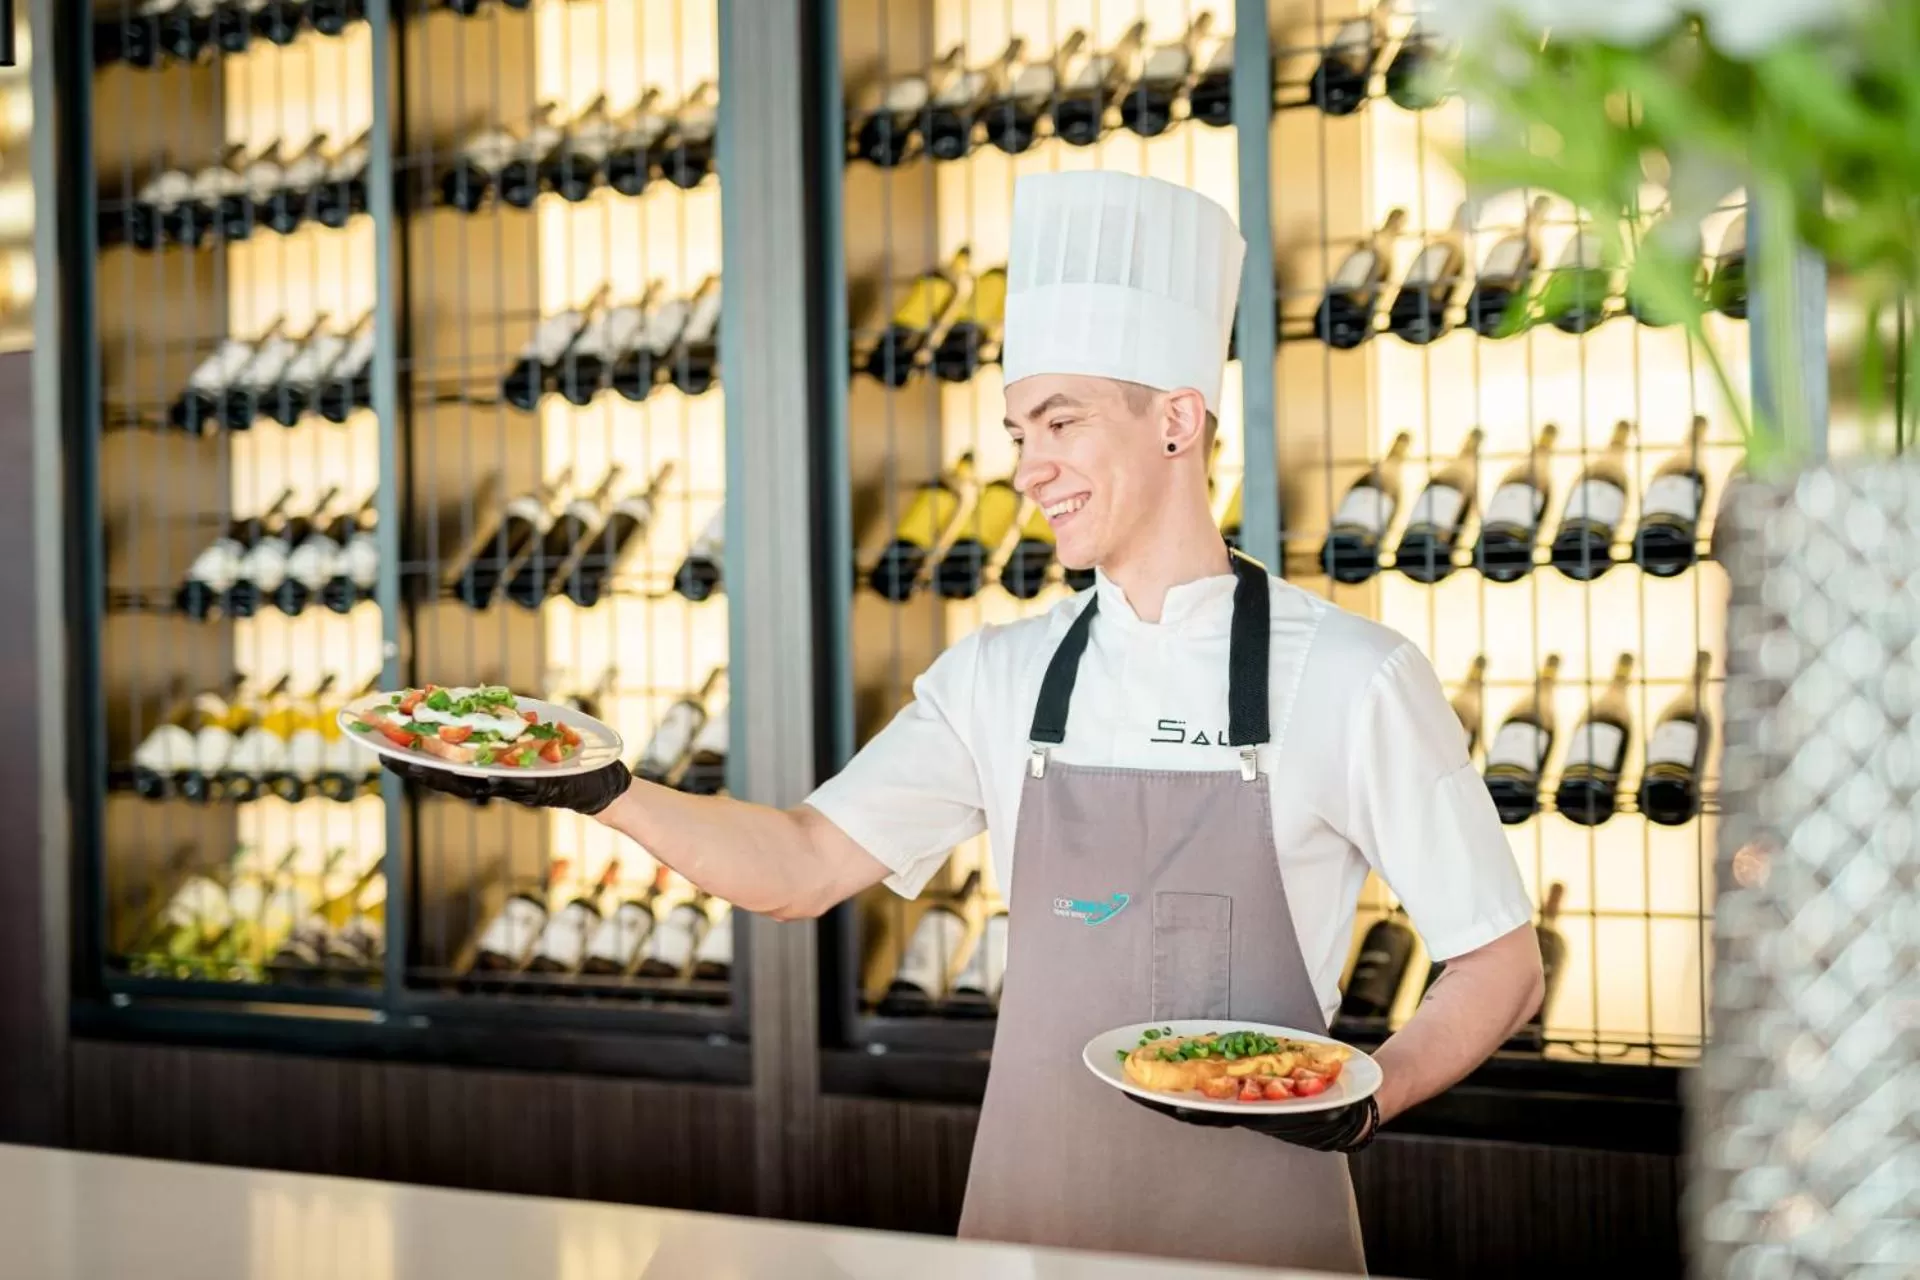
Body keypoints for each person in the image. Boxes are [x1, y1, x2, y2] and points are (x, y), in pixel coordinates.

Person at [390, 170, 1545, 1272]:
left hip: (1258, 1236)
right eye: (1017, 435)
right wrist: (602, 786)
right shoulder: (1001, 674)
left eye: (1061, 423)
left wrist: (1364, 1096)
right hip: (1025, 1227)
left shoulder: (1352, 676)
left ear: (1178, 420)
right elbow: (797, 863)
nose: (1030, 468)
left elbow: (1498, 958)